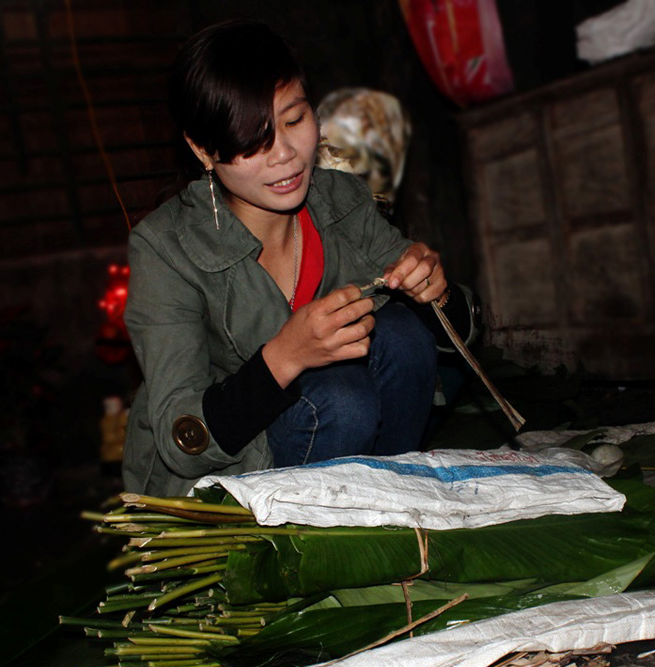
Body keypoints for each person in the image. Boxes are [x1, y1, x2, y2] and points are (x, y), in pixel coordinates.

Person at [122, 20, 476, 497]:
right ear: (204, 149)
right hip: (235, 471)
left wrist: (435, 287)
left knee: (404, 335)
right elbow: (182, 437)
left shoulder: (341, 202)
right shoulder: (165, 248)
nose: (285, 155)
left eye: (294, 121)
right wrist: (284, 357)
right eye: (253, 138)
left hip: (362, 439)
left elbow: (459, 342)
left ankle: (393, 501)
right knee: (339, 397)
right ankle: (296, 546)